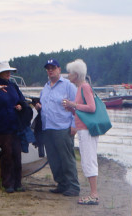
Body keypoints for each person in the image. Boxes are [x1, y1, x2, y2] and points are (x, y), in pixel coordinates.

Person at [35, 58, 80, 197]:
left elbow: (77, 107)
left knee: (67, 158)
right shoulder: (46, 87)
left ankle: (73, 186)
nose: (50, 70)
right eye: (48, 68)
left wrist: (74, 125)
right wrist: (39, 107)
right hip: (48, 128)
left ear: (59, 69)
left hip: (63, 128)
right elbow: (46, 106)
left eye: (53, 68)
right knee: (54, 159)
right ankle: (62, 184)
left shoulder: (68, 86)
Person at [0, 60, 25, 193]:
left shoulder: (13, 86)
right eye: (6, 72)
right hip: (2, 127)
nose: (8, 74)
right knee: (6, 155)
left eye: (9, 72)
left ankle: (18, 183)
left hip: (15, 126)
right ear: (0, 73)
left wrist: (20, 106)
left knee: (17, 155)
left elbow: (21, 100)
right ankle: (8, 184)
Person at [63, 59, 99, 205]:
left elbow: (92, 108)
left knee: (89, 160)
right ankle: (93, 193)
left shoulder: (84, 87)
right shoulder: (80, 88)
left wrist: (73, 104)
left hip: (86, 130)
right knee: (86, 159)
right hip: (83, 128)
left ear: (76, 74)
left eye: (70, 73)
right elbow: (82, 110)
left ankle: (94, 194)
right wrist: (72, 109)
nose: (68, 75)